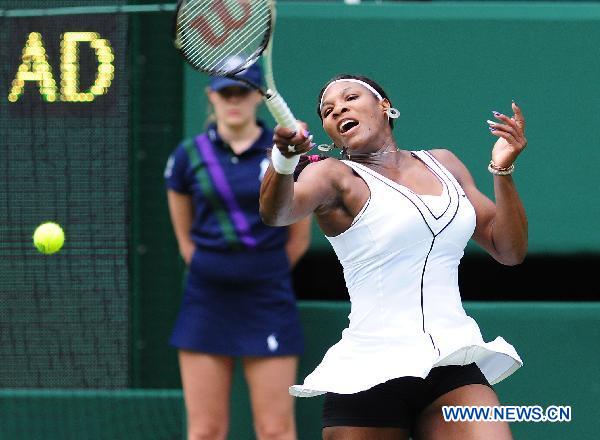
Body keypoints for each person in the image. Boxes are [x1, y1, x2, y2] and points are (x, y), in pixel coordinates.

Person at [259, 73, 528, 440]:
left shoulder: (444, 163)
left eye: (350, 98)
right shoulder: (334, 176)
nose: (339, 109)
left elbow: (509, 250)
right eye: (328, 110)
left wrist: (503, 171)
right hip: (369, 377)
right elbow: (277, 213)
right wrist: (283, 160)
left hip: (451, 363)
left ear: (385, 107)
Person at [165, 61, 312, 440]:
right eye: (224, 91)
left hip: (267, 299)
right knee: (205, 432)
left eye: (242, 91)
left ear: (258, 98)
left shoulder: (282, 154)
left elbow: (298, 237)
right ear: (211, 95)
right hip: (206, 299)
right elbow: (184, 235)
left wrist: (266, 271)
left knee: (276, 430)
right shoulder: (187, 157)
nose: (233, 100)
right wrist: (201, 262)